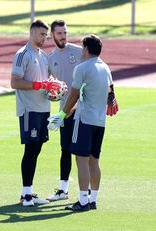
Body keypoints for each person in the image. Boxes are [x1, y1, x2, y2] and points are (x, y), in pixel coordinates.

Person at [48, 34, 118, 211]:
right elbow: (108, 92)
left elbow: (73, 96)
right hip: (100, 122)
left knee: (82, 160)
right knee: (95, 160)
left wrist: (62, 115)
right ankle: (93, 200)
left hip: (84, 121)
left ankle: (82, 201)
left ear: (86, 49)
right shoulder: (106, 68)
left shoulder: (81, 68)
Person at [10, 20, 62, 207]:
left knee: (37, 149)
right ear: (32, 33)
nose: (44, 38)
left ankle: (29, 192)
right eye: (41, 34)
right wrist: (39, 85)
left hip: (43, 110)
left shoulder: (44, 56)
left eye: (46, 35)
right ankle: (25, 195)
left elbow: (49, 79)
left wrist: (55, 89)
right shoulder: (22, 54)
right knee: (30, 150)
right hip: (29, 110)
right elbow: (15, 82)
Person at [46, 20, 83, 202]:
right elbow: (48, 85)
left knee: (84, 152)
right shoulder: (50, 58)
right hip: (64, 112)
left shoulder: (78, 52)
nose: (63, 36)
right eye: (59, 33)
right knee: (65, 150)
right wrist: (51, 93)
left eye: (65, 33)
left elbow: (96, 68)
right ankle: (63, 190)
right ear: (52, 35)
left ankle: (88, 193)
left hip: (83, 111)